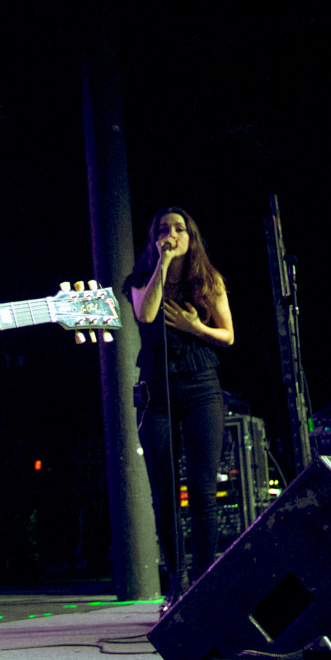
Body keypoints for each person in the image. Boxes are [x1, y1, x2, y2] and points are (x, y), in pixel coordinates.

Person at [122, 207, 234, 598]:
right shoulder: (139, 280)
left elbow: (228, 335)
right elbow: (146, 313)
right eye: (164, 230)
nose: (172, 234)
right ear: (154, 239)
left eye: (180, 229)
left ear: (192, 236)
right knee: (165, 493)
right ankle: (176, 584)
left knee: (202, 488)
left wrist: (194, 327)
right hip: (157, 393)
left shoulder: (208, 279)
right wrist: (163, 264)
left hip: (202, 386)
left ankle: (204, 584)